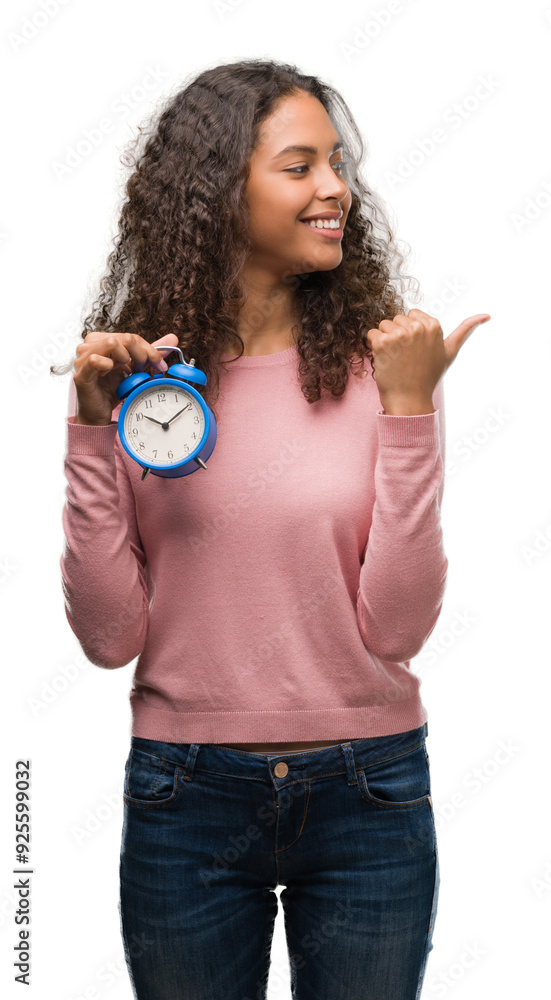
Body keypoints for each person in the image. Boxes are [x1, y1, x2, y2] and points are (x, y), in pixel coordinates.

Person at [54, 58, 490, 1000]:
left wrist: (411, 411)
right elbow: (108, 638)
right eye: (300, 166)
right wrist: (90, 433)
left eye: (336, 163)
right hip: (185, 797)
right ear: (218, 192)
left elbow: (399, 629)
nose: (336, 187)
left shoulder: (387, 366)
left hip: (368, 793)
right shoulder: (147, 382)